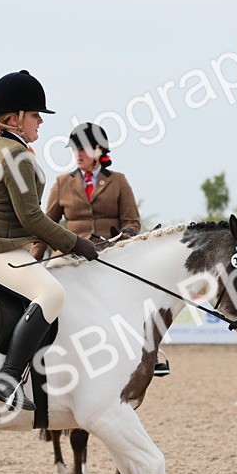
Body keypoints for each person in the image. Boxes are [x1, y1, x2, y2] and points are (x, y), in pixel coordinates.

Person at [0, 70, 99, 411]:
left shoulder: (10, 147)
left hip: (1, 242)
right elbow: (30, 217)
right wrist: (75, 243)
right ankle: (7, 379)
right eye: (35, 115)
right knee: (52, 294)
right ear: (15, 118)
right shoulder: (14, 154)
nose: (40, 122)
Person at [42, 123, 168, 375]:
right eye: (75, 149)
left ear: (99, 150)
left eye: (83, 149)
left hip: (107, 253)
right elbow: (46, 224)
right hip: (69, 254)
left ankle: (151, 352)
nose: (77, 154)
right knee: (48, 291)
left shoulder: (118, 181)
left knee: (136, 294)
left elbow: (132, 220)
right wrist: (34, 259)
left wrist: (128, 234)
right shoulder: (62, 183)